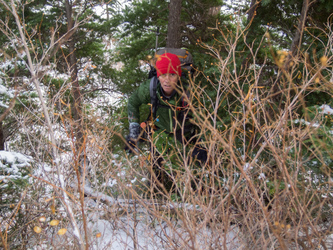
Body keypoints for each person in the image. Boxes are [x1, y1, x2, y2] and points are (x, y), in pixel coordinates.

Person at [127, 52, 207, 192]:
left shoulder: (189, 92)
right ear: (158, 76)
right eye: (163, 75)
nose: (167, 80)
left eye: (172, 75)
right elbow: (133, 102)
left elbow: (204, 119)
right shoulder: (150, 88)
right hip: (159, 133)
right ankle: (157, 199)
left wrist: (202, 143)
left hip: (184, 136)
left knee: (190, 179)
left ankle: (190, 202)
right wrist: (134, 128)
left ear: (178, 75)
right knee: (156, 175)